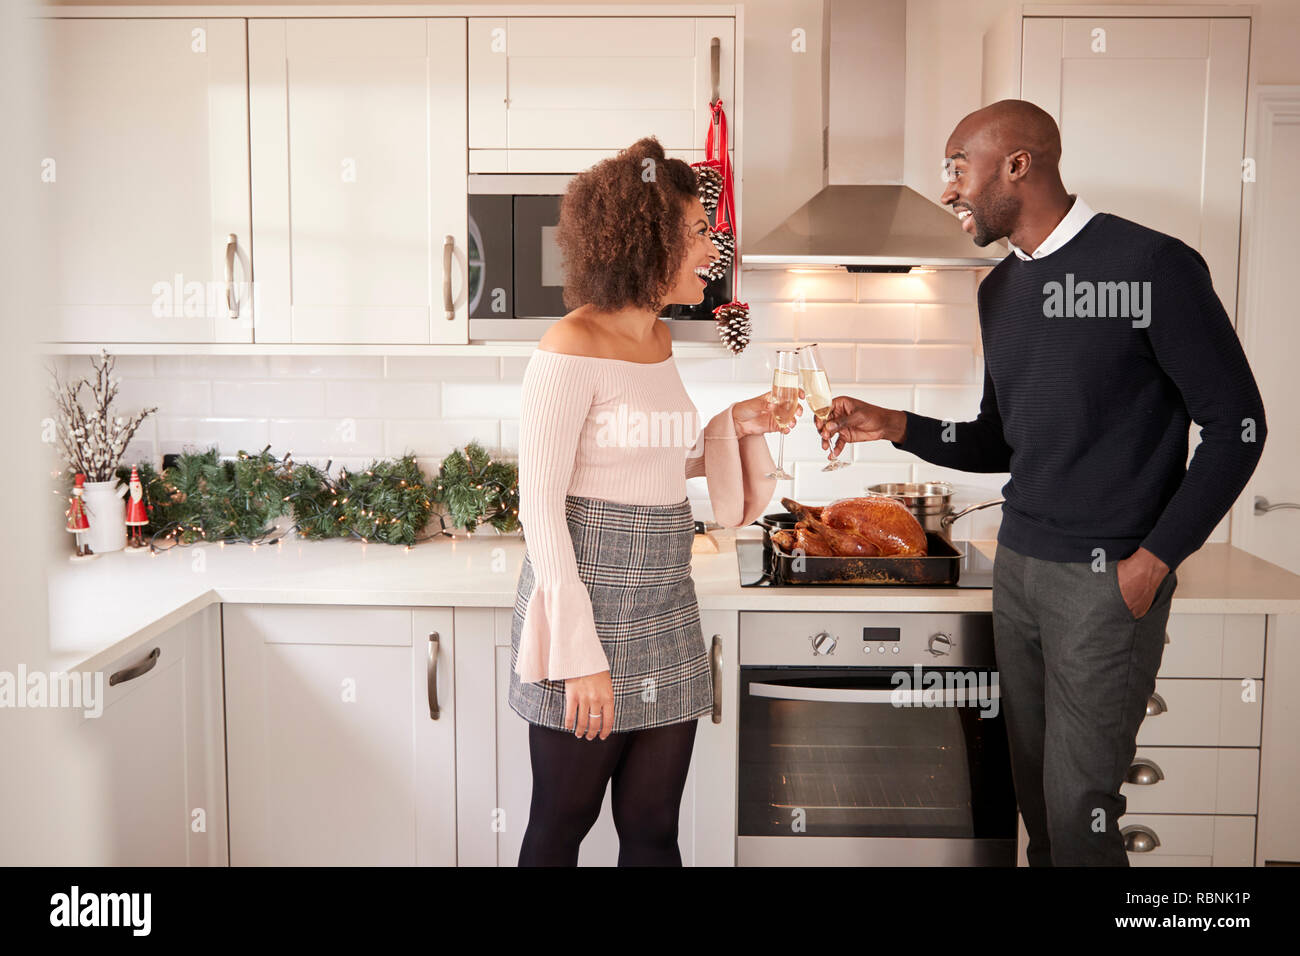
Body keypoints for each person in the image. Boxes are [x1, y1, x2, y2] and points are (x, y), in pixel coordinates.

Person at [815, 99, 1267, 866]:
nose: (950, 189)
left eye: (959, 167)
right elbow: (1002, 440)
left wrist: (1153, 562)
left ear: (1017, 165)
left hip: (1107, 582)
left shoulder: (1153, 266)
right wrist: (897, 424)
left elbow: (1239, 428)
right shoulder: (1001, 293)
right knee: (1037, 809)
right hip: (1018, 571)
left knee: (1080, 812)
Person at [510, 136, 800, 866]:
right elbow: (539, 506)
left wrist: (741, 422)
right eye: (700, 230)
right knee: (560, 825)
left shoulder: (661, 339)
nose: (713, 245)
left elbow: (656, 462)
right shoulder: (569, 344)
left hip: (666, 603)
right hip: (587, 605)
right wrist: (579, 654)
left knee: (651, 829)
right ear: (650, 236)